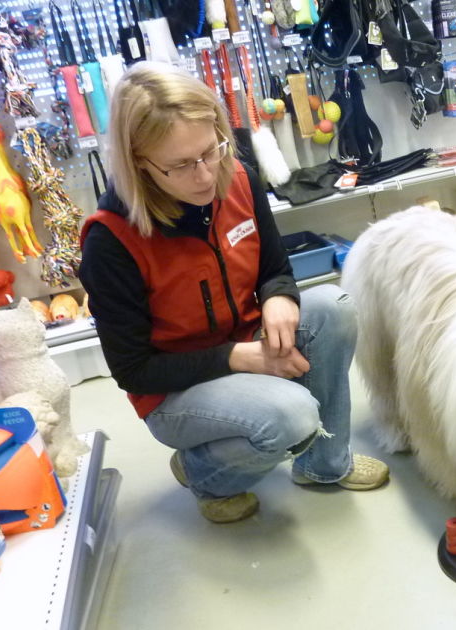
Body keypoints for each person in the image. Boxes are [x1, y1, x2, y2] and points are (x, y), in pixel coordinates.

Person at [79, 62, 389, 524]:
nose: (205, 176)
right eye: (181, 165)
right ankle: (202, 471)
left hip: (243, 339)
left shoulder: (238, 178)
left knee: (332, 308)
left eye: (211, 150)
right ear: (139, 164)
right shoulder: (111, 239)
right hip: (175, 389)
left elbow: (273, 265)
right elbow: (134, 371)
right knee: (292, 415)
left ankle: (324, 466)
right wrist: (240, 358)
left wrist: (279, 295)